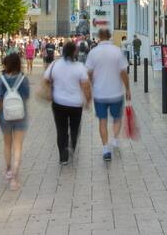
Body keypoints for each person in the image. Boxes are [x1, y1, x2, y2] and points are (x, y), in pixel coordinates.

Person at [86, 28, 131, 162]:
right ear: (110, 36)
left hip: (99, 93)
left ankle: (105, 148)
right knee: (117, 118)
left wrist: (91, 84)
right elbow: (123, 72)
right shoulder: (117, 51)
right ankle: (115, 139)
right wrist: (127, 89)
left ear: (99, 37)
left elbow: (88, 73)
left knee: (102, 121)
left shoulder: (93, 53)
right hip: (116, 92)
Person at [47, 41, 91, 165]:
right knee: (75, 128)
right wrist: (88, 100)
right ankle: (72, 145)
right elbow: (86, 86)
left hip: (58, 103)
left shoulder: (55, 65)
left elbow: (46, 79)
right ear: (74, 52)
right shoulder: (80, 67)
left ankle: (63, 156)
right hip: (76, 105)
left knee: (61, 130)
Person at [0, 53, 30, 190]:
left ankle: (8, 169)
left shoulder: (1, 79)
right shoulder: (23, 79)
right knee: (18, 146)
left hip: (5, 116)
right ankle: (15, 178)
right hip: (20, 115)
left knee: (7, 143)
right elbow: (26, 96)